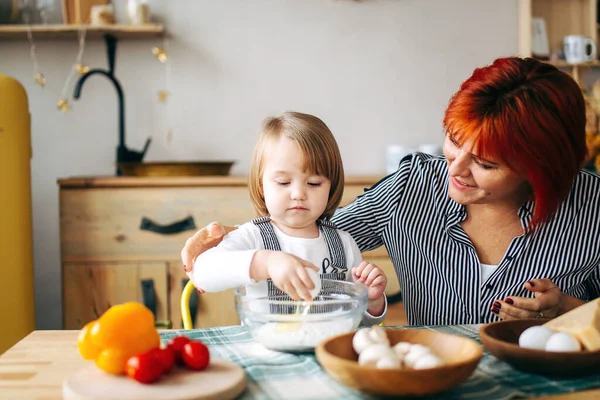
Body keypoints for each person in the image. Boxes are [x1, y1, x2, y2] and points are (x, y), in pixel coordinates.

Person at [182, 57, 600, 326]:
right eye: (454, 141)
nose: (455, 169)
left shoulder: (592, 205)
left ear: (541, 169)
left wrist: (567, 310)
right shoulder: (412, 187)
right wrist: (236, 245)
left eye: (486, 164)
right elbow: (310, 233)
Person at [187, 111, 388, 325]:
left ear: (331, 187)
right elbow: (203, 273)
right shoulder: (252, 237)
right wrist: (266, 262)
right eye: (283, 182)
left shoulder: (344, 243)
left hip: (326, 354)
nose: (298, 194)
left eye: (313, 183)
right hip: (268, 355)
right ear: (261, 187)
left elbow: (359, 322)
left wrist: (372, 302)